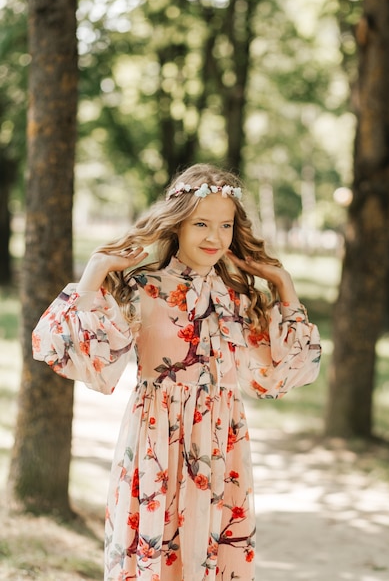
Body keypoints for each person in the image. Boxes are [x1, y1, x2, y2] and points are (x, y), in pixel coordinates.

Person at [32, 163, 321, 581]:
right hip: (156, 438)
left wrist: (282, 282)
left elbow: (284, 373)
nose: (214, 237)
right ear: (178, 222)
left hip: (222, 442)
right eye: (201, 223)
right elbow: (77, 355)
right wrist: (95, 271)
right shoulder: (144, 287)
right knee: (155, 551)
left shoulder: (237, 296)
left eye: (225, 225)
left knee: (211, 553)